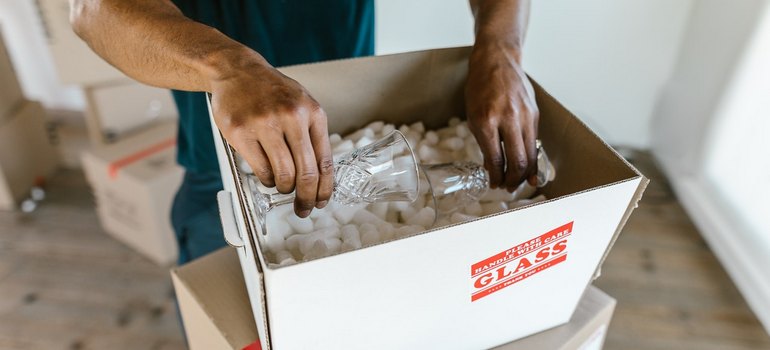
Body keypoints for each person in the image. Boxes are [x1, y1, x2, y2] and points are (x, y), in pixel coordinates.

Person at [71, 0, 540, 264]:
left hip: (345, 123)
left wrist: (501, 46)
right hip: (219, 166)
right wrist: (230, 69)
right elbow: (91, 10)